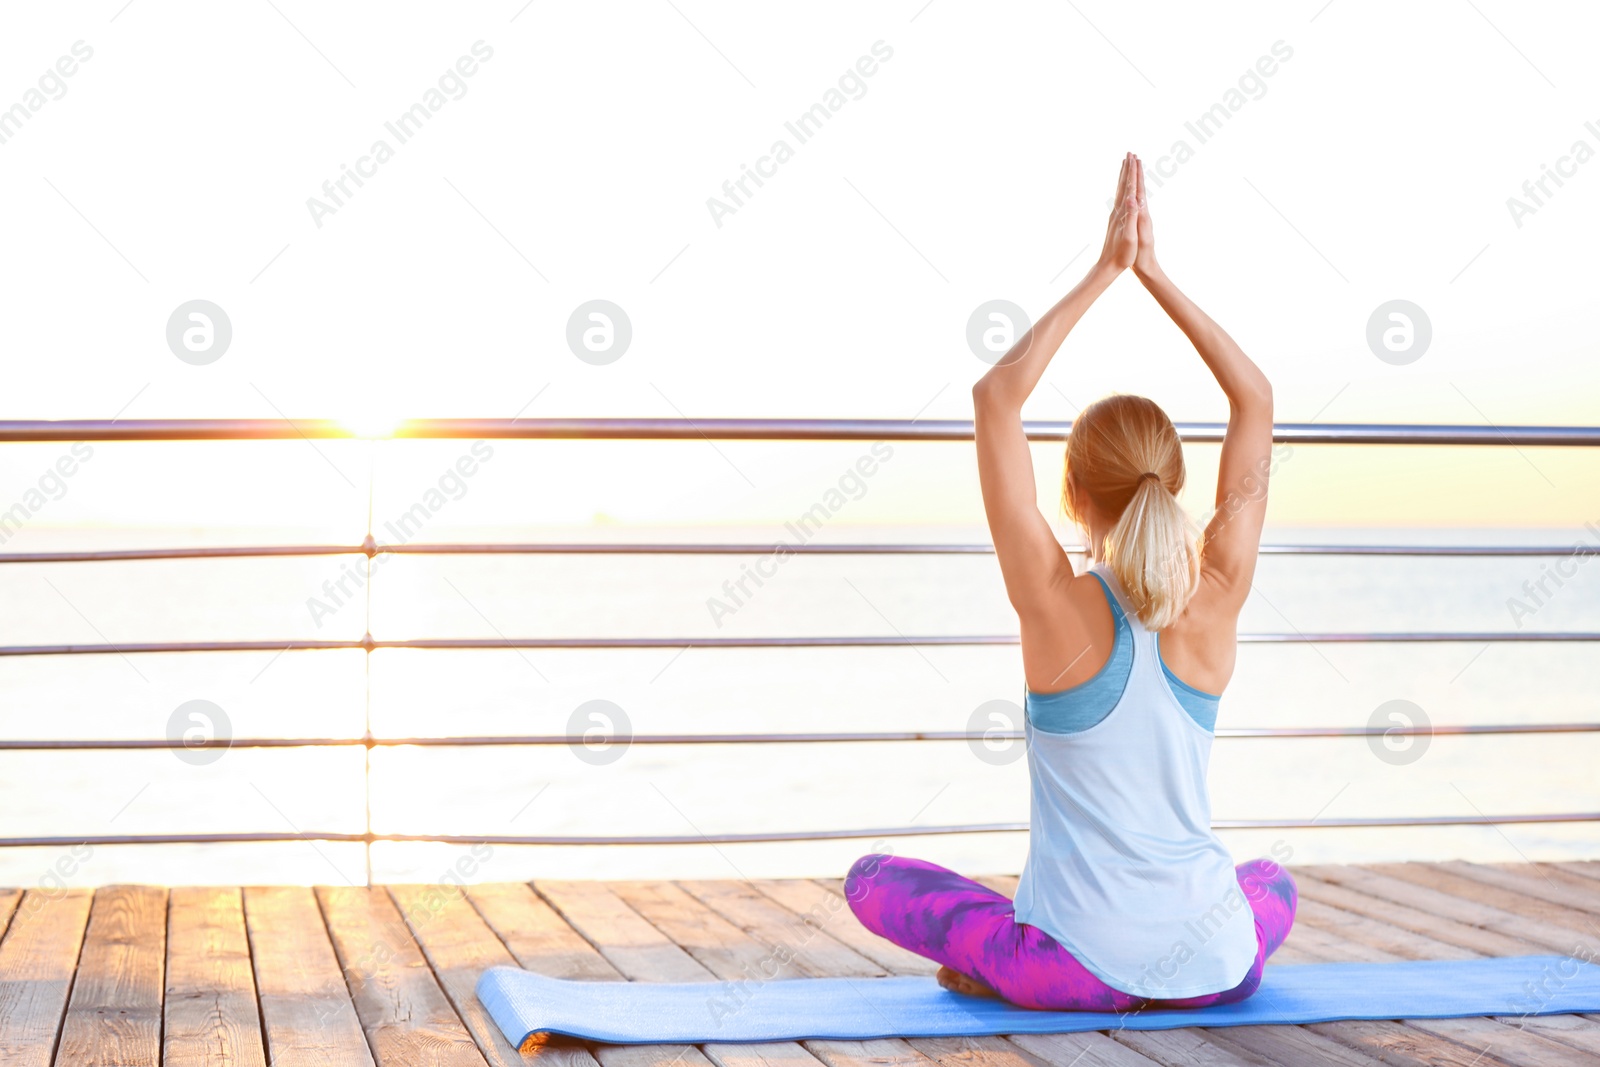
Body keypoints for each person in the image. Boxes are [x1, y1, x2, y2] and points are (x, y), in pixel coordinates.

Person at [844, 153, 1297, 1011]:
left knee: (874, 879)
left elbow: (995, 399)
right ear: (1175, 481)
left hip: (1072, 970)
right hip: (1219, 968)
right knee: (1270, 882)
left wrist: (1105, 270)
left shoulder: (1051, 601)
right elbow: (1256, 400)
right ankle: (1187, 938)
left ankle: (998, 958)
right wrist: (1154, 273)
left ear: (1073, 494)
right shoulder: (1220, 593)